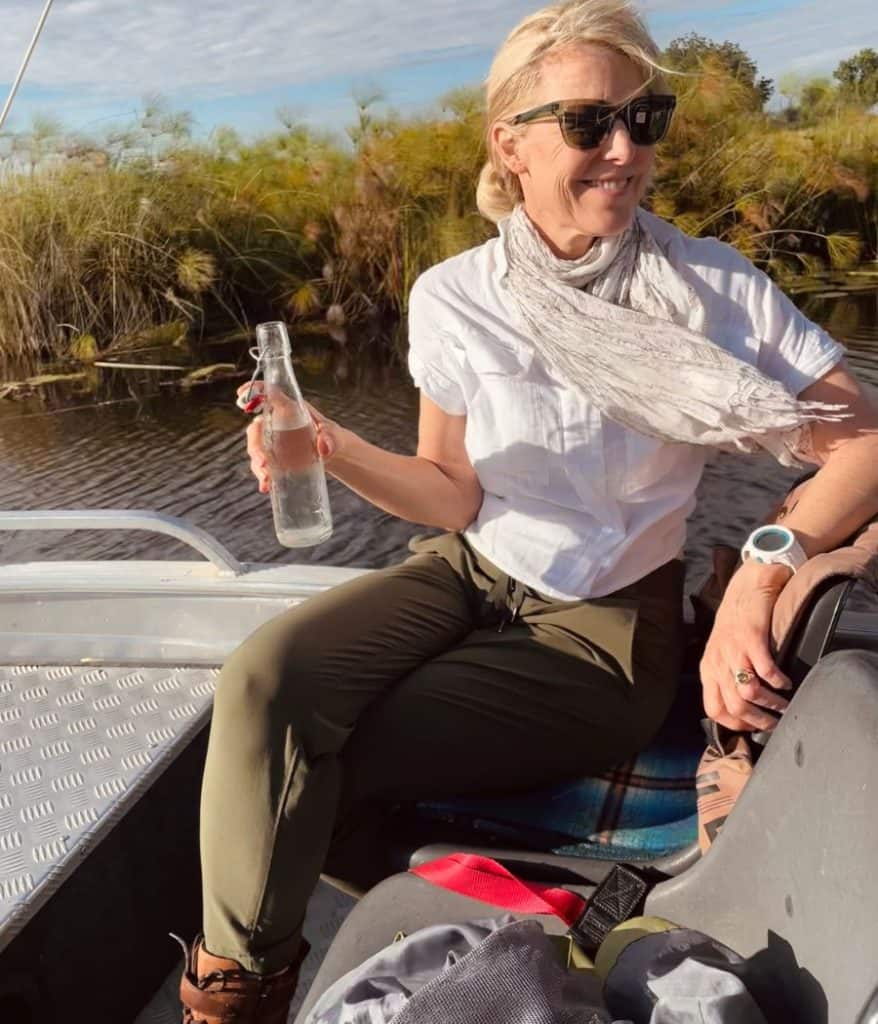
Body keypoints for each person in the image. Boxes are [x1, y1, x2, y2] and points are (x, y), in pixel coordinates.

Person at [177, 2, 878, 1021]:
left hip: (601, 624)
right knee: (261, 684)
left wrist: (764, 567)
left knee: (319, 767)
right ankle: (234, 994)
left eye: (647, 119)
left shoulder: (706, 289)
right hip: (469, 569)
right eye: (590, 124)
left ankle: (256, 984)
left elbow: (860, 441)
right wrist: (330, 446)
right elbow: (448, 490)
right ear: (509, 142)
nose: (626, 150)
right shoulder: (454, 295)